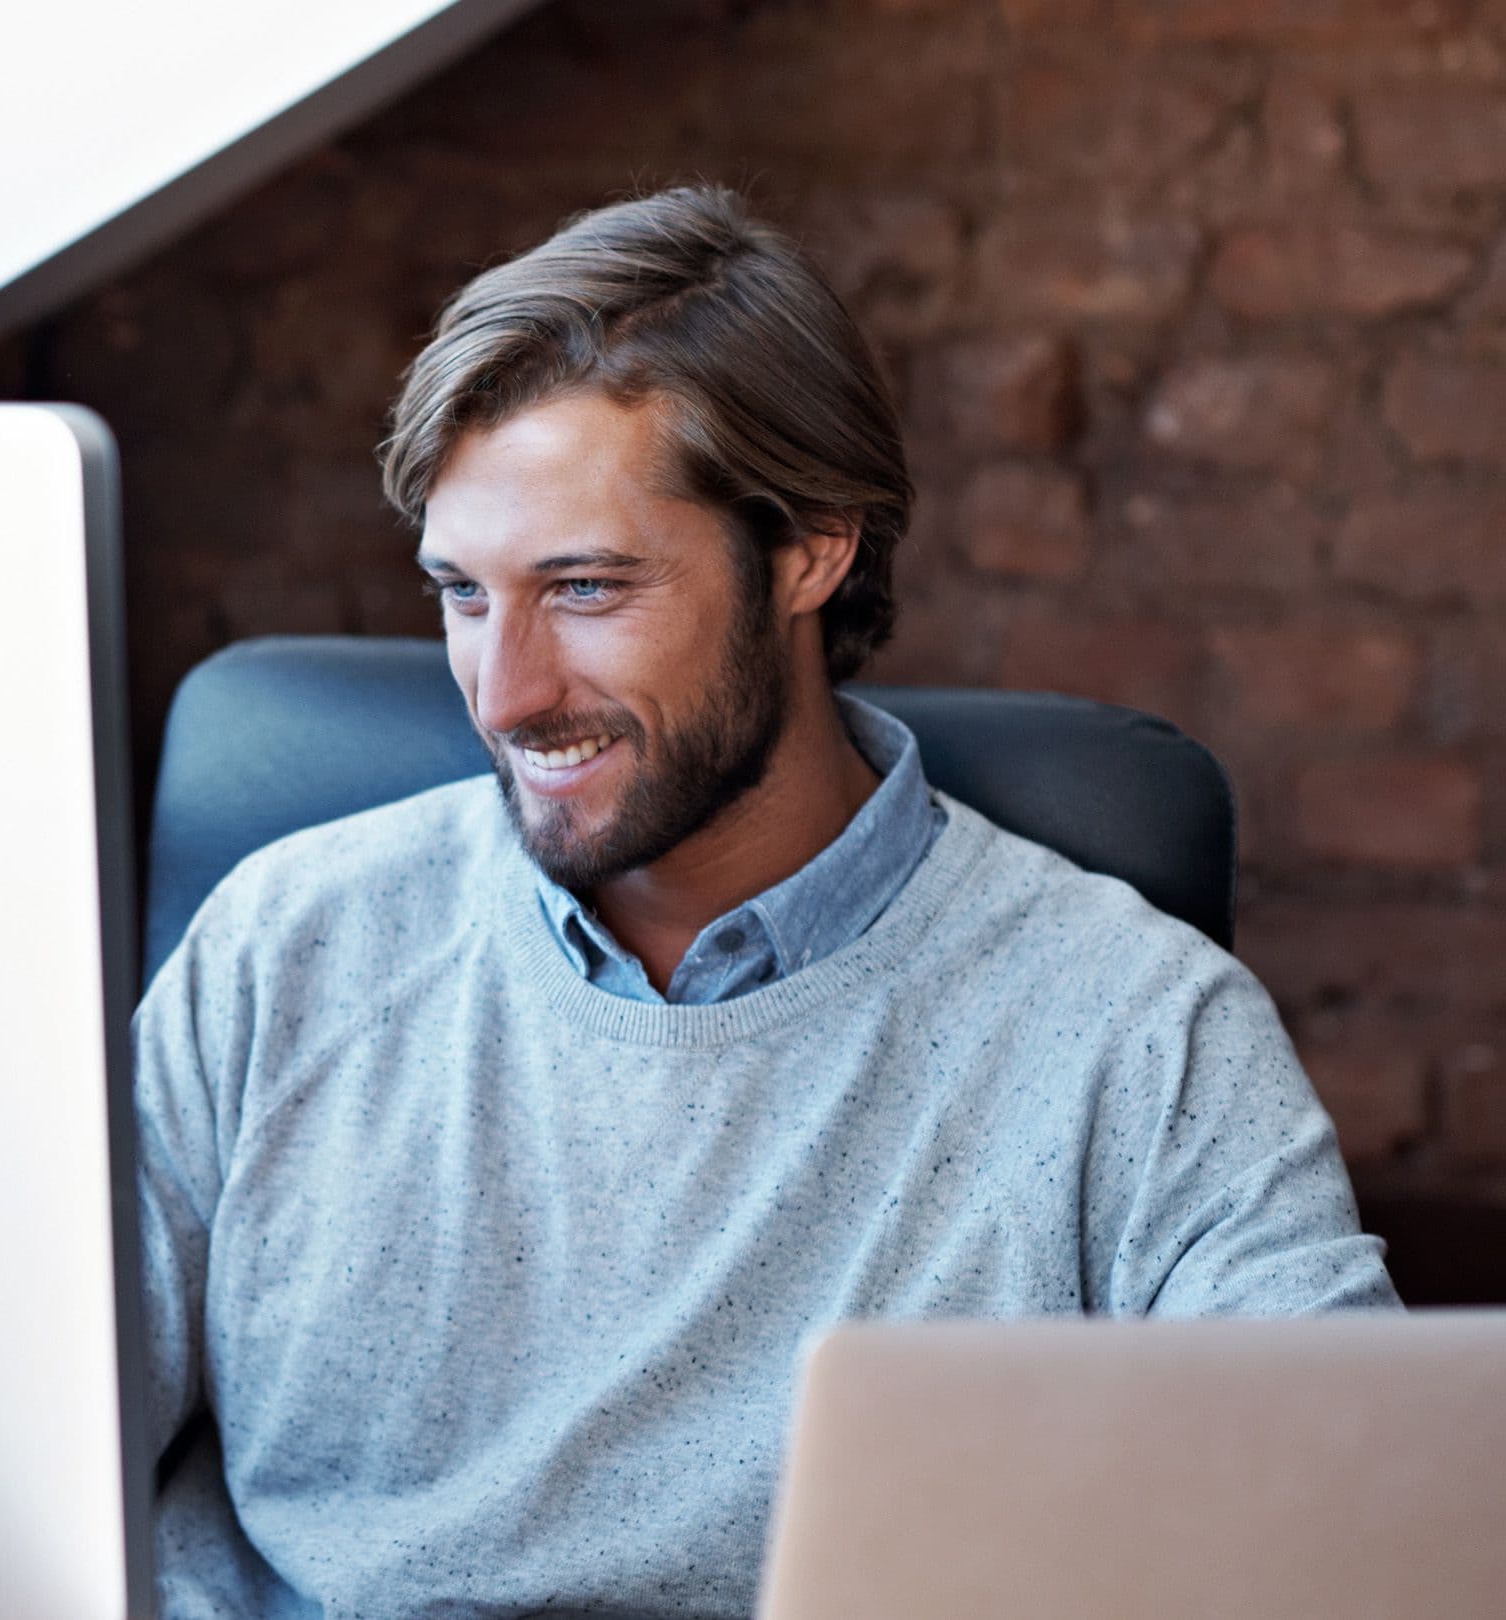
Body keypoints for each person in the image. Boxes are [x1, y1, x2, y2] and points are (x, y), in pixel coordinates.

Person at [131, 184, 1397, 1620]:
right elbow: (16, 1428)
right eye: (462, 595)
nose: (505, 692)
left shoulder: (1135, 1029)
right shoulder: (279, 944)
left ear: (811, 548)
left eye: (588, 588)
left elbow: (1346, 1537)